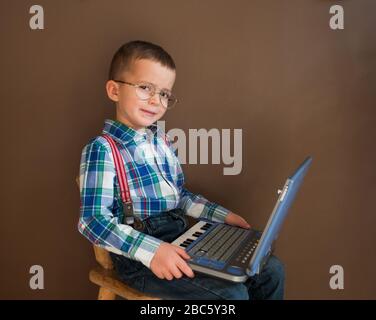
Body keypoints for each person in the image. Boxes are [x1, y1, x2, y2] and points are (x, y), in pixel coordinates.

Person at [78, 40, 284, 299]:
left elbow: (181, 197)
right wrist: (153, 251)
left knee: (271, 270)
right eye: (145, 88)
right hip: (141, 261)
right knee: (233, 296)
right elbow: (92, 222)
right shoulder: (103, 149)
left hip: (183, 239)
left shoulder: (162, 142)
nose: (156, 100)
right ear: (114, 90)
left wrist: (223, 216)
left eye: (164, 93)